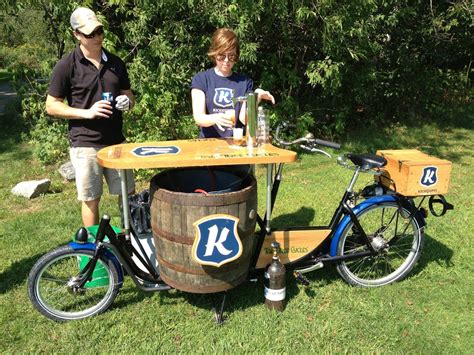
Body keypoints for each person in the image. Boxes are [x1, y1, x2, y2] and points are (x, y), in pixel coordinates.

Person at [46, 7, 135, 227]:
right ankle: (92, 255)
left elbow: (128, 95)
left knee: (128, 194)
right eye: (89, 34)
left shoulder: (116, 62)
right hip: (85, 144)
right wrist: (88, 113)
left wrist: (127, 102)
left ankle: (130, 245)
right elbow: (52, 106)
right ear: (76, 34)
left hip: (117, 142)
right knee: (90, 200)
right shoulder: (66, 65)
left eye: (99, 31)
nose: (96, 37)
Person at [191, 28, 275, 138]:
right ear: (214, 53)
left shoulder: (244, 82)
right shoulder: (201, 79)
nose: (226, 60)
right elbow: (199, 118)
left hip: (236, 142)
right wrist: (216, 118)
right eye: (221, 55)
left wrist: (255, 98)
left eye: (231, 56)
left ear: (236, 56)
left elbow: (243, 119)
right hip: (208, 144)